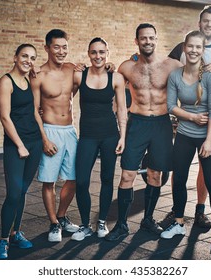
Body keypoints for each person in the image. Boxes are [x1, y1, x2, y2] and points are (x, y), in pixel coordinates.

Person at [105, 23, 182, 241]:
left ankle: (148, 219)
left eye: (151, 38)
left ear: (156, 39)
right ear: (136, 41)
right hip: (136, 123)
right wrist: (106, 66)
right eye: (143, 38)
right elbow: (107, 83)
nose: (147, 41)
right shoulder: (127, 67)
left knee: (155, 175)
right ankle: (121, 224)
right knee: (127, 173)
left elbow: (195, 76)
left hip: (161, 124)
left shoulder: (172, 65)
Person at [160, 30, 211, 251]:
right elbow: (171, 106)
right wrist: (192, 117)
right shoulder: (176, 76)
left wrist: (209, 140)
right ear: (184, 48)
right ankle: (179, 222)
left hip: (208, 137)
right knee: (178, 179)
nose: (194, 50)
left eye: (198, 47)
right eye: (190, 46)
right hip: (185, 134)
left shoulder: (210, 76)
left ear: (202, 50)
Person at [71, 37, 127, 241]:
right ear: (88, 53)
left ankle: (102, 221)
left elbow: (122, 109)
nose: (98, 56)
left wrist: (123, 136)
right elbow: (64, 97)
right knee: (82, 181)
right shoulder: (79, 75)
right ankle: (85, 225)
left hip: (109, 135)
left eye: (102, 52)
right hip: (87, 136)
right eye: (94, 52)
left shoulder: (116, 78)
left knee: (106, 179)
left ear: (107, 53)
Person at [0, 44, 43, 259]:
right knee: (13, 193)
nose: (28, 60)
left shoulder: (28, 80)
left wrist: (41, 139)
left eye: (32, 57)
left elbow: (33, 110)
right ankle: (3, 240)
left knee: (22, 191)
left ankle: (16, 232)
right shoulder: (6, 82)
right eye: (24, 56)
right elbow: (5, 117)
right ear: (15, 57)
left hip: (34, 142)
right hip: (16, 145)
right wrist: (20, 145)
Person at [30, 29, 80, 243]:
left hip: (70, 130)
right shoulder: (38, 75)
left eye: (64, 47)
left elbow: (82, 85)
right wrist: (44, 138)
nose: (61, 51)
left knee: (74, 178)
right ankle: (53, 223)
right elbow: (34, 110)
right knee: (49, 181)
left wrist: (109, 65)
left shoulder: (72, 69)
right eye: (57, 47)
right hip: (50, 130)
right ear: (47, 48)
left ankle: (61, 215)